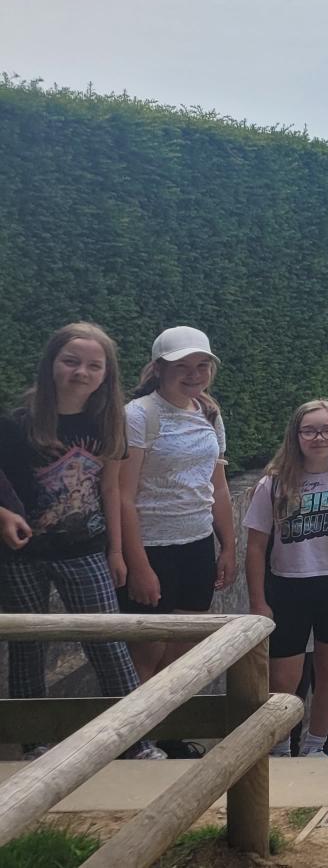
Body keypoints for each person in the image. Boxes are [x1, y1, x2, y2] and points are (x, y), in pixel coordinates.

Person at [0, 324, 163, 760]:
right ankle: (35, 742)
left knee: (108, 641)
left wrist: (116, 551)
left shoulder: (108, 422)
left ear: (107, 373)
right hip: (22, 554)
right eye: (70, 361)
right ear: (51, 364)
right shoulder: (16, 423)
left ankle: (135, 742)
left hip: (85, 550)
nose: (81, 372)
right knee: (27, 647)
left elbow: (110, 489)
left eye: (94, 365)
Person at [117, 326, 235, 760]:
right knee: (145, 655)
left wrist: (229, 546)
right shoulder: (138, 415)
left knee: (182, 651)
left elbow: (217, 487)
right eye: (182, 366)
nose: (194, 374)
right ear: (158, 369)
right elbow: (124, 496)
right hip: (151, 548)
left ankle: (165, 734)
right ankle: (135, 742)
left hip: (196, 546)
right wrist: (139, 566)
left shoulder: (209, 413)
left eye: (202, 365)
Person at [245, 399, 328, 758]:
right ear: (296, 436)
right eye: (309, 431)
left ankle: (316, 745)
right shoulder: (272, 485)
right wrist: (258, 601)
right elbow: (256, 546)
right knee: (283, 677)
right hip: (287, 585)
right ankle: (279, 746)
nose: (318, 438)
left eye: (326, 430)